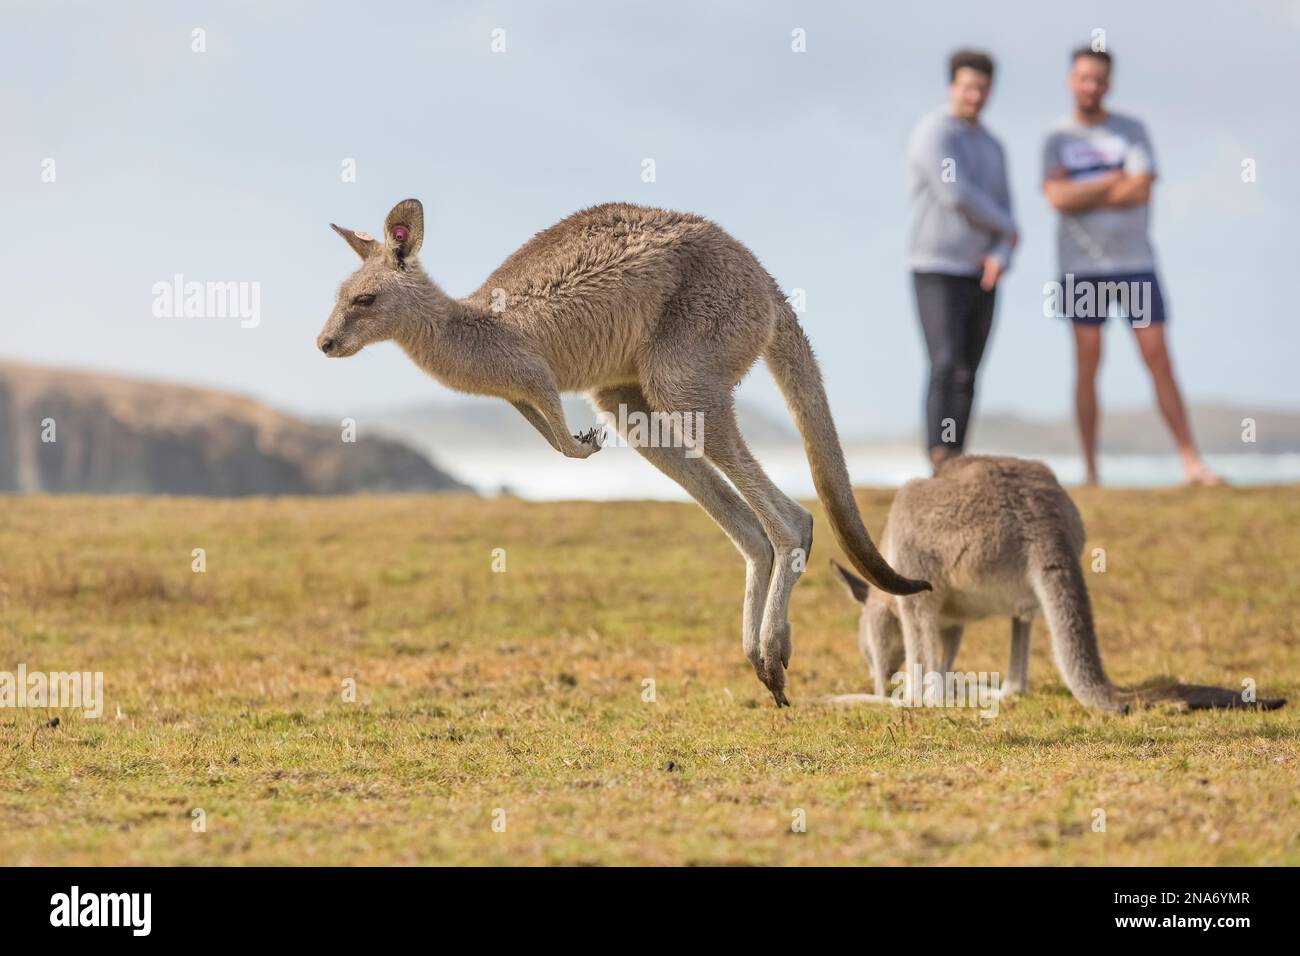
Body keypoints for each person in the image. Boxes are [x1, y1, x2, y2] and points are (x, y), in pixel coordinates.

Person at [1042, 47, 1223, 486]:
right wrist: (1112, 181)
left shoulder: (1131, 130)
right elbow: (1057, 198)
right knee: (1088, 364)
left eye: (1098, 79)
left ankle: (1191, 461)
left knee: (1158, 357)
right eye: (1083, 78)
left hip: (1135, 265)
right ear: (1071, 81)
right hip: (1080, 270)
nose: (1091, 86)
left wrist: (1084, 188)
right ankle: (1090, 469)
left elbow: (1141, 189)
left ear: (1109, 84)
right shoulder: (1057, 138)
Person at [907, 49, 1017, 471]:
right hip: (935, 267)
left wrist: (1002, 252)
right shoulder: (933, 133)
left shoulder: (993, 146)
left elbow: (1008, 216)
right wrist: (1008, 228)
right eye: (969, 87)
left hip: (982, 272)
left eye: (983, 88)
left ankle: (956, 459)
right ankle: (939, 453)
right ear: (953, 86)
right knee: (946, 362)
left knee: (970, 371)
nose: (975, 95)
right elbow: (955, 193)